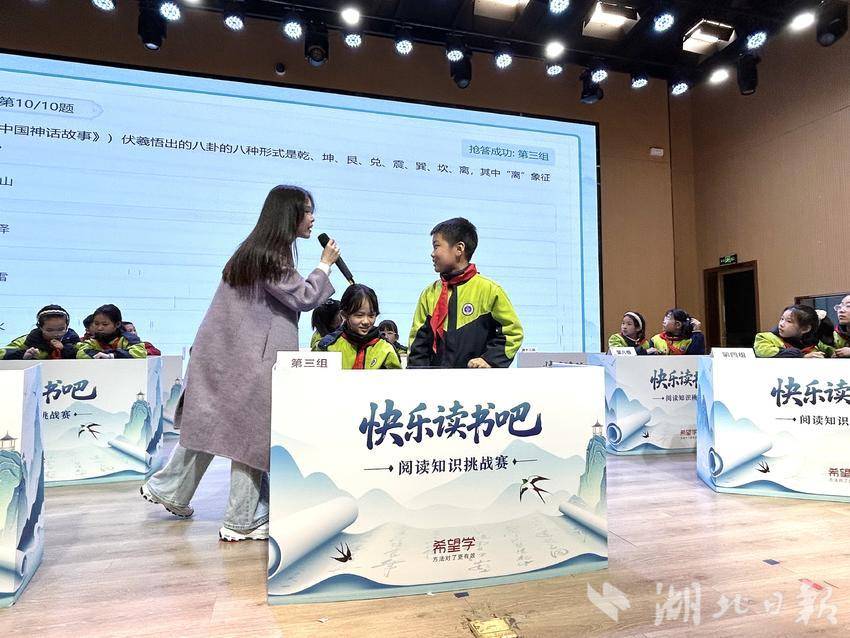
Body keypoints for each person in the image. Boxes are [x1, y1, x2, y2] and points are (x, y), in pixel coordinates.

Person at [141, 185, 339, 542]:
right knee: (250, 436)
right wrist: (324, 264)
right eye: (308, 211)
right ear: (289, 215)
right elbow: (305, 297)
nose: (313, 219)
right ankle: (242, 518)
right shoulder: (271, 257)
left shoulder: (254, 251)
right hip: (249, 361)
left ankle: (170, 488)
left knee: (213, 426)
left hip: (225, 355)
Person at [407, 218, 523, 368]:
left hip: (477, 380)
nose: (432, 254)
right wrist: (418, 376)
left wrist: (489, 360)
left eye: (436, 246)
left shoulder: (489, 290)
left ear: (459, 249)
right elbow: (418, 345)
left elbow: (513, 333)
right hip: (436, 381)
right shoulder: (429, 294)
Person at [317, 284, 401, 369]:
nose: (366, 321)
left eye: (371, 315)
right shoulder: (329, 346)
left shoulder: (385, 349)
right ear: (344, 315)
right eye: (359, 315)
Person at [1, 304, 79, 360]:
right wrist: (22, 355)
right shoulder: (28, 340)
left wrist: (65, 349)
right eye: (49, 330)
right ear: (40, 327)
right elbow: (2, 353)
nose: (56, 334)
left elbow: (82, 355)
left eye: (61, 329)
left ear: (67, 326)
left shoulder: (74, 340)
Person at [754, 305, 831, 358]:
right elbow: (763, 351)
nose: (781, 324)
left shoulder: (814, 345)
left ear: (805, 329)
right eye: (782, 319)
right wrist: (801, 356)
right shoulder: (764, 337)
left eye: (789, 321)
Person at [76, 304, 147, 359]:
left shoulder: (128, 339)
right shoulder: (92, 341)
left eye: (105, 324)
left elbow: (139, 352)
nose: (99, 328)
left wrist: (112, 355)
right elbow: (81, 353)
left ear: (117, 324)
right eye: (96, 324)